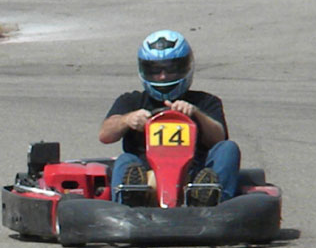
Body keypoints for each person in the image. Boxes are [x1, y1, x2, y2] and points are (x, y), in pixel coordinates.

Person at [99, 30, 240, 206]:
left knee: (228, 149)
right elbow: (105, 135)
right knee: (125, 160)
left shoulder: (205, 101)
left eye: (171, 69)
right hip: (147, 177)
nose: (163, 76)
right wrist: (127, 120)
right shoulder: (131, 101)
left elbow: (219, 138)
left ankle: (213, 202)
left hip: (195, 176)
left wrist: (196, 114)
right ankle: (130, 202)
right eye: (155, 71)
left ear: (185, 67)